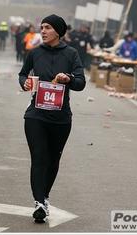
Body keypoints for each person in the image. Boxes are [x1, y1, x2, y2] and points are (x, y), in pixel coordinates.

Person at [18, 14, 86, 223]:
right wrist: (25, 83)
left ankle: (45, 196)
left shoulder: (71, 54)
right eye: (42, 27)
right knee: (38, 158)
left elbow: (81, 82)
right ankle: (39, 202)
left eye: (48, 28)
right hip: (36, 115)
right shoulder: (34, 52)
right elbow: (22, 74)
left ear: (58, 31)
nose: (43, 31)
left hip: (61, 117)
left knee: (52, 160)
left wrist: (69, 78)